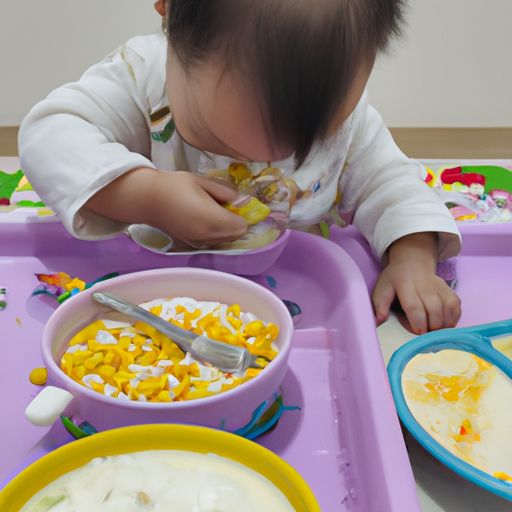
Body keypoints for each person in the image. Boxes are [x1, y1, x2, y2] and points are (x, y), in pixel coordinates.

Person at [19, 0, 461, 333]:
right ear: (170, 16)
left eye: (309, 140)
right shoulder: (141, 76)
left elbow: (392, 181)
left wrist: (413, 256)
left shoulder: (349, 121)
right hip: (146, 301)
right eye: (220, 139)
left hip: (299, 306)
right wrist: (144, 195)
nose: (261, 162)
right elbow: (50, 134)